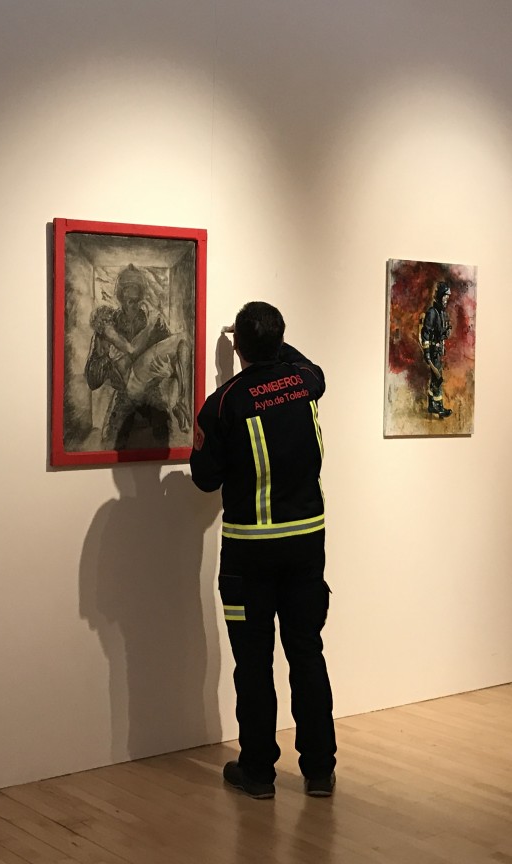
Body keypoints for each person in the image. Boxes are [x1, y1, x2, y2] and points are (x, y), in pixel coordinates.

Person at [190, 301, 335, 799]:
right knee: (307, 652)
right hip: (305, 543)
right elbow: (300, 364)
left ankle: (258, 773)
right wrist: (268, 345)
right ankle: (319, 770)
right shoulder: (305, 381)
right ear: (280, 342)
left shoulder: (223, 403)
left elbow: (206, 479)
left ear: (239, 347)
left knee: (254, 663)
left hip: (249, 551)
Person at [84, 265, 191, 450]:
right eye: (125, 299)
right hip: (123, 399)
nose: (129, 305)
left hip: (153, 398)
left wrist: (170, 372)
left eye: (133, 300)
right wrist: (107, 358)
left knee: (161, 447)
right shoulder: (108, 325)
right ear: (119, 295)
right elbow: (92, 380)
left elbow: (179, 361)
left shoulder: (155, 323)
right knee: (111, 447)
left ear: (141, 297)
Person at [421, 280, 453, 419]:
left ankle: (432, 405)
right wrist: (427, 354)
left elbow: (444, 330)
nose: (447, 298)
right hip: (433, 351)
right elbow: (425, 333)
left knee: (436, 379)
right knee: (437, 378)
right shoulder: (432, 312)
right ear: (440, 295)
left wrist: (447, 332)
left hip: (439, 351)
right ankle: (437, 407)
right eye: (445, 295)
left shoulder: (441, 313)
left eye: (448, 296)